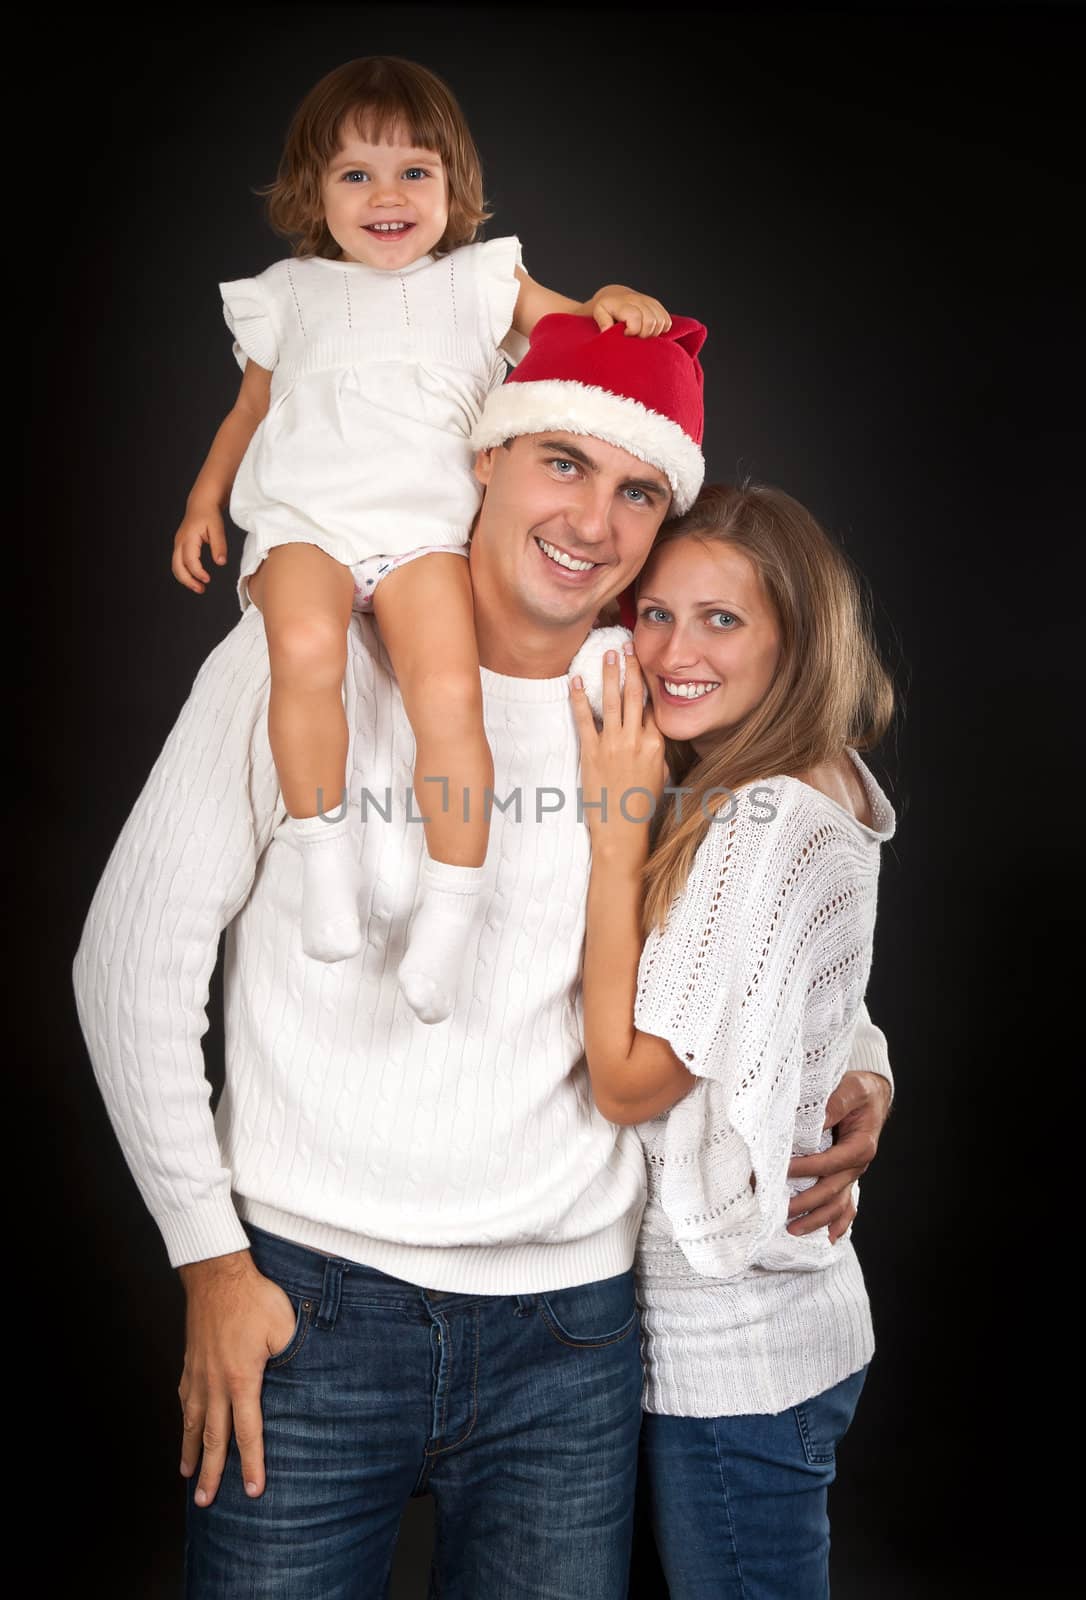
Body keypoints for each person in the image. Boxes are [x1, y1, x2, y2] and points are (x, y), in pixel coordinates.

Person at [74, 316, 893, 1599]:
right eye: (560, 461)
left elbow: (765, 899)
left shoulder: (655, 689)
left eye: (637, 489)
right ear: (484, 461)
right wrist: (209, 1260)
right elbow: (128, 962)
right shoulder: (309, 657)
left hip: (573, 1333)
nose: (594, 517)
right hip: (307, 1306)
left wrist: (860, 1061)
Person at [170, 54, 671, 1024]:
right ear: (317, 189)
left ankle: (451, 908)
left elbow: (578, 334)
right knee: (304, 652)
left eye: (415, 173)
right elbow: (249, 410)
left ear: (454, 189)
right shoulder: (290, 292)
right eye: (356, 173)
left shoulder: (482, 282)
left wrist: (611, 297)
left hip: (424, 532)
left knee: (446, 692)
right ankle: (326, 858)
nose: (386, 195)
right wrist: (203, 501)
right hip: (308, 522)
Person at [570, 482, 897, 1599]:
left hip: (734, 1360)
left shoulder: (764, 821)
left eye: (722, 619)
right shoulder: (797, 777)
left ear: (796, 638)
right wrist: (870, 1067)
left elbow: (623, 1083)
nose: (673, 650)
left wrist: (618, 841)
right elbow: (810, 996)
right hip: (766, 1340)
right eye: (654, 612)